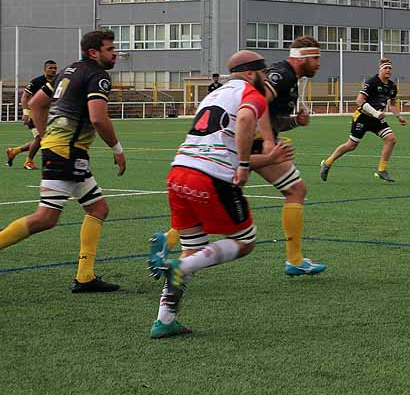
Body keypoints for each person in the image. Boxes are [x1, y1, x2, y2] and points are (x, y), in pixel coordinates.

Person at [146, 50, 294, 338]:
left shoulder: (214, 95)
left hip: (179, 172)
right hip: (210, 176)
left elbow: (224, 140)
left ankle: (164, 319)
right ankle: (177, 265)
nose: (265, 78)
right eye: (262, 72)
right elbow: (245, 120)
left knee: (193, 248)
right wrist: (241, 164)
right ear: (251, 73)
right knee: (245, 241)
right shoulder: (251, 92)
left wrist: (267, 159)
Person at [166, 35, 326, 275]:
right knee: (295, 190)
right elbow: (255, 104)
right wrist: (269, 143)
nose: (318, 63)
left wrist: (294, 122)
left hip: (225, 148)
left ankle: (167, 244)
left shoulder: (289, 78)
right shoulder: (281, 75)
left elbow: (269, 118)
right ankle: (294, 260)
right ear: (301, 59)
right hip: (249, 144)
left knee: (214, 196)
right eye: (315, 58)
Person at [0, 32, 125, 292]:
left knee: (98, 209)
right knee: (45, 217)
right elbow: (98, 118)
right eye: (110, 49)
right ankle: (84, 276)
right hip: (67, 153)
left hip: (65, 152)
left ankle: (85, 276)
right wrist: (117, 148)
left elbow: (36, 103)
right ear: (94, 52)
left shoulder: (68, 70)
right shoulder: (97, 75)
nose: (115, 53)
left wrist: (47, 137)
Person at [320, 58, 407, 183]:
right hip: (363, 118)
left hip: (377, 119)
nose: (388, 70)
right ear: (380, 70)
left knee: (391, 139)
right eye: (386, 68)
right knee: (351, 145)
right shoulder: (372, 82)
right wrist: (376, 113)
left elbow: (392, 104)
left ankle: (382, 170)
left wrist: (399, 116)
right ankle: (327, 163)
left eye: (390, 68)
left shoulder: (392, 86)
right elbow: (359, 101)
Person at [7, 59, 57, 170]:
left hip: (48, 114)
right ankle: (28, 161)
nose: (53, 70)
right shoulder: (37, 81)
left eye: (55, 68)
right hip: (34, 113)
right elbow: (25, 97)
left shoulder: (57, 82)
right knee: (40, 137)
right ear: (45, 69)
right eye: (50, 68)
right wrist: (25, 112)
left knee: (45, 138)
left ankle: (15, 151)